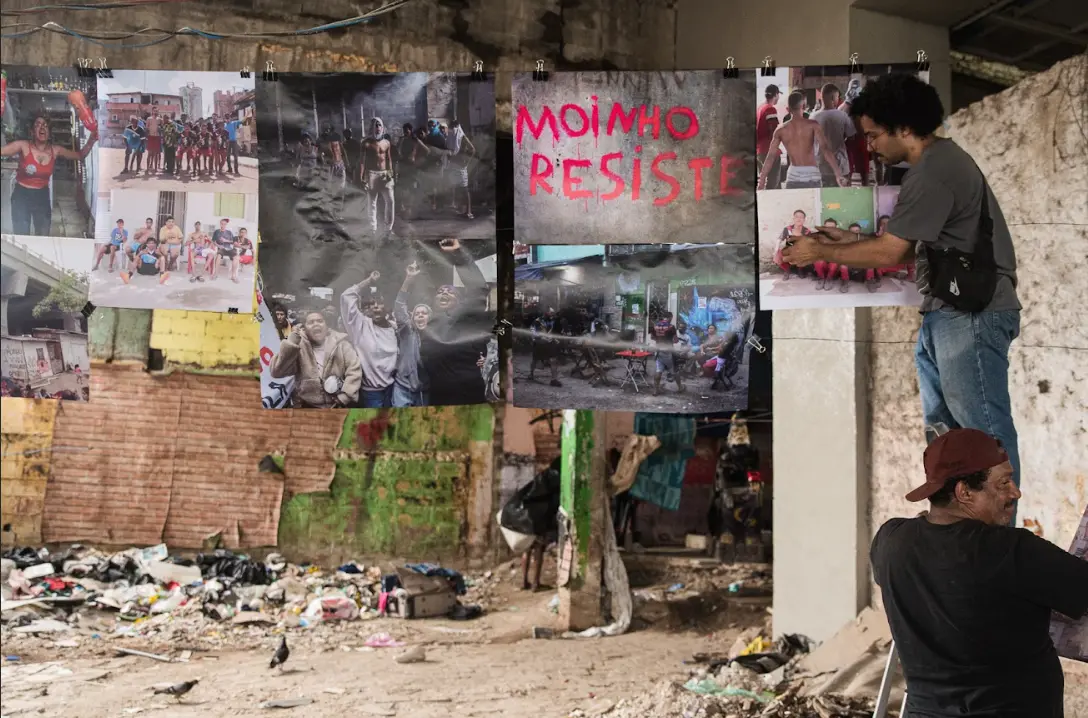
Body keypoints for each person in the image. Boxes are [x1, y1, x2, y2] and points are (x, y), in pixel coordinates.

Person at [781, 73, 1022, 494]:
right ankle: (960, 531)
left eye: (874, 135)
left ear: (905, 129)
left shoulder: (934, 171)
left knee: (984, 438)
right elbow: (911, 246)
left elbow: (889, 254)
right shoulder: (934, 166)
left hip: (971, 316)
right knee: (948, 440)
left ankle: (996, 543)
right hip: (947, 313)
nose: (869, 144)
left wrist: (818, 253)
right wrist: (850, 240)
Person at [871, 428, 1088, 718]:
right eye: (1004, 483)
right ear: (964, 492)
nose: (1015, 492)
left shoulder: (890, 541)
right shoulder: (1008, 551)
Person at [420, 239, 491, 406]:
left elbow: (478, 289)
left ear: (460, 302)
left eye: (449, 291)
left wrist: (459, 255)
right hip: (437, 397)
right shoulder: (428, 325)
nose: (444, 293)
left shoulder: (463, 319)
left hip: (466, 395)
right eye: (440, 291)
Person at [1, 114, 98, 235]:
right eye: (38, 125)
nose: (42, 127)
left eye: (45, 125)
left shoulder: (55, 150)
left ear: (49, 132)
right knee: (21, 234)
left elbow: (80, 155)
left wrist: (92, 140)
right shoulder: (23, 145)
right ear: (32, 131)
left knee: (43, 234)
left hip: (42, 196)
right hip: (21, 196)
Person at [269, 310, 362, 409]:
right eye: (310, 322)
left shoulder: (342, 345)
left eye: (320, 321)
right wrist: (291, 343)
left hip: (339, 405)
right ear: (304, 328)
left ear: (326, 326)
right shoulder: (298, 347)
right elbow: (276, 371)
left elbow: (354, 370)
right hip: (308, 406)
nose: (316, 324)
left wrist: (345, 397)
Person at [758, 91, 847, 190]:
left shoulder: (780, 130)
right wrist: (838, 174)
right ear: (804, 107)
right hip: (812, 175)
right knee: (814, 205)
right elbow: (825, 149)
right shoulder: (813, 125)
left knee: (795, 206)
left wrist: (761, 181)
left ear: (788, 109)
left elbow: (770, 156)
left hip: (793, 176)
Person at [340, 271, 399, 408]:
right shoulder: (360, 326)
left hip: (393, 389)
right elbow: (346, 296)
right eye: (372, 304)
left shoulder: (394, 329)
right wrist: (369, 281)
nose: (375, 306)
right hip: (371, 394)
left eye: (380, 303)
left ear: (387, 308)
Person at [392, 262, 431, 407]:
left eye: (424, 313)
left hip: (425, 391)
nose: (420, 316)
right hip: (402, 389)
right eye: (417, 314)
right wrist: (408, 279)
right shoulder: (408, 332)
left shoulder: (436, 338)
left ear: (430, 318)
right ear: (412, 318)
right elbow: (399, 306)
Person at [810, 83, 856, 188]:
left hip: (820, 167)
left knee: (824, 200)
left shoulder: (812, 117)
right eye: (837, 97)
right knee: (843, 199)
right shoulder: (842, 116)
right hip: (841, 166)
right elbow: (852, 137)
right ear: (833, 98)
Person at [361, 117, 395, 237]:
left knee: (390, 201)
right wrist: (362, 177)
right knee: (372, 203)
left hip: (385, 174)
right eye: (375, 125)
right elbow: (362, 161)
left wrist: (391, 172)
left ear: (382, 127)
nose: (377, 128)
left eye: (379, 125)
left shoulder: (386, 143)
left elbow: (389, 159)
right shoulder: (366, 143)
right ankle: (372, 229)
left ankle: (388, 229)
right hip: (372, 174)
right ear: (371, 127)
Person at [446, 120, 477, 220]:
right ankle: (462, 209)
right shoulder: (451, 136)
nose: (452, 129)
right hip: (453, 166)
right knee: (457, 188)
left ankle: (469, 212)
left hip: (461, 167)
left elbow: (472, 149)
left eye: (453, 127)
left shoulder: (462, 137)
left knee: (465, 189)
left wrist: (466, 162)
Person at [650, 312, 684, 395]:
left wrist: (659, 339)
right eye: (671, 318)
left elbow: (652, 337)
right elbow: (676, 340)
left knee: (659, 370)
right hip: (668, 352)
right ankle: (680, 387)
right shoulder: (671, 327)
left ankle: (655, 390)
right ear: (670, 317)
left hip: (659, 351)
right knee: (675, 370)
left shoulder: (655, 326)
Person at [756, 84, 782, 190]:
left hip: (759, 150)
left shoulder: (759, 108)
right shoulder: (770, 109)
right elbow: (774, 132)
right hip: (769, 151)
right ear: (776, 94)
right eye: (778, 95)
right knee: (773, 184)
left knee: (764, 181)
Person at [529, 308, 562, 388]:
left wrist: (554, 338)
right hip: (539, 344)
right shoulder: (537, 321)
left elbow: (551, 331)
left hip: (549, 343)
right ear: (546, 312)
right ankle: (531, 374)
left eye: (553, 313)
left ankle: (554, 380)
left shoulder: (552, 321)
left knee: (553, 360)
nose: (552, 314)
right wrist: (539, 337)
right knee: (535, 360)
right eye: (551, 312)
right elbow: (532, 331)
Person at [774, 209, 811, 280]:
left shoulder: (807, 231)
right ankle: (787, 270)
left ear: (804, 219)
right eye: (797, 217)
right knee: (778, 255)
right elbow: (779, 239)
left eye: (801, 217)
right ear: (793, 218)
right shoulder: (787, 229)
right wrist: (776, 251)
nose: (799, 219)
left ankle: (800, 269)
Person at [211, 218, 240, 283]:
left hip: (230, 248)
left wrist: (226, 240)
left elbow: (233, 241)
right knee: (218, 256)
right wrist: (218, 246)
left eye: (224, 224)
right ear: (220, 224)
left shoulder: (229, 232)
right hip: (221, 248)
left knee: (236, 257)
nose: (223, 225)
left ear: (226, 225)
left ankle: (233, 276)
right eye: (222, 224)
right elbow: (213, 241)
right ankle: (216, 274)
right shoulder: (216, 232)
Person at [145, 107, 161, 175]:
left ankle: (155, 168)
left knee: (156, 154)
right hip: (150, 137)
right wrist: (146, 137)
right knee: (149, 153)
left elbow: (161, 127)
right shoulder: (149, 119)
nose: (155, 112)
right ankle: (148, 168)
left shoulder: (159, 119)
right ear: (152, 111)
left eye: (157, 111)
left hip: (157, 137)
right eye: (154, 111)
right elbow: (146, 128)